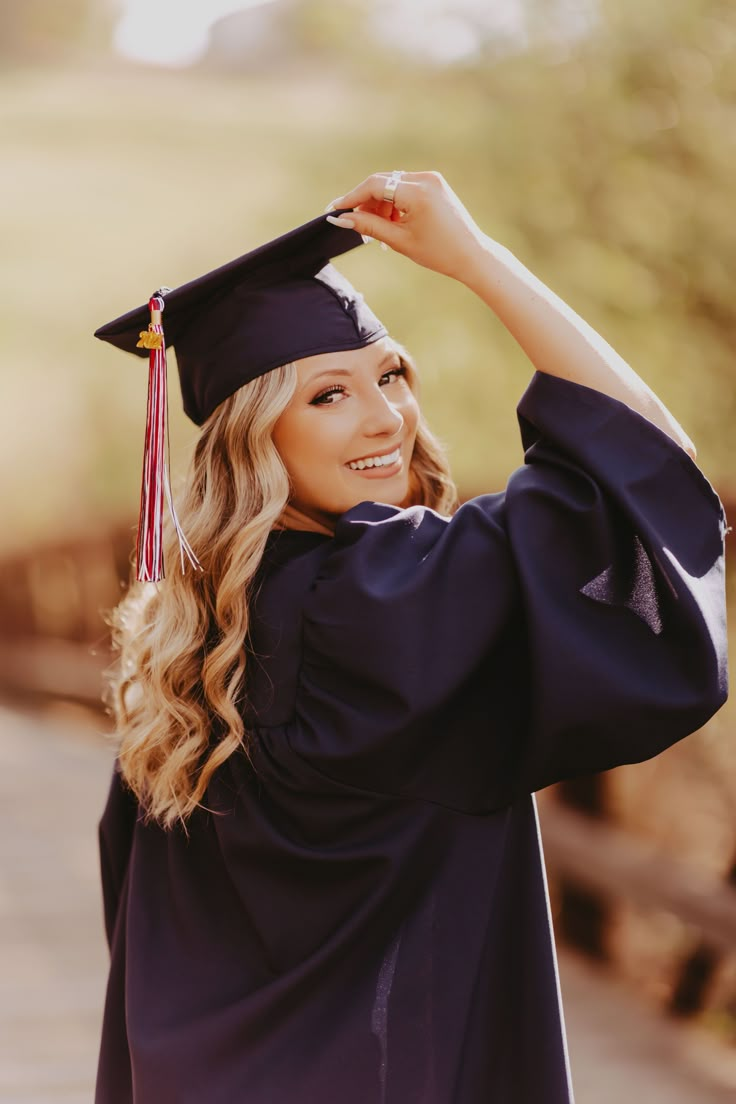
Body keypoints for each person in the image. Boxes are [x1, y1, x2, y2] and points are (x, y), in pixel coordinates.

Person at [93, 170, 728, 1104]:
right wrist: (480, 261)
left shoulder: (190, 645)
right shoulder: (384, 599)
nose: (385, 416)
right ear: (250, 440)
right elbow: (648, 467)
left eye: (391, 376)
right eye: (326, 396)